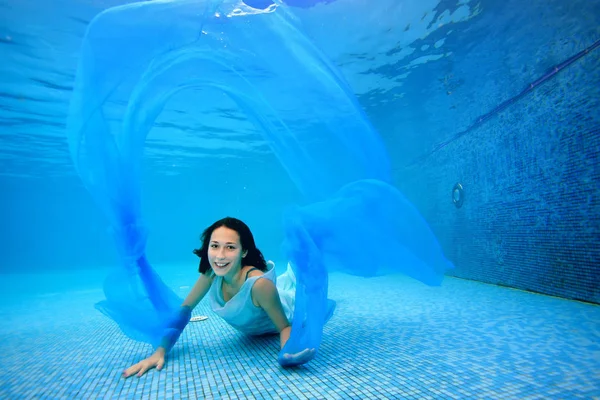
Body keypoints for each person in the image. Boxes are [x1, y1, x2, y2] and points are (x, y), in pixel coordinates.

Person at [122, 217, 316, 378]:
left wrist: (286, 354)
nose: (220, 256)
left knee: (303, 285)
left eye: (230, 247)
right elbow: (184, 311)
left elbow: (284, 326)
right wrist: (160, 351)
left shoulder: (259, 285)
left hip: (287, 307)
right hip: (259, 321)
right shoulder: (212, 274)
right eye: (215, 246)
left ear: (244, 251)